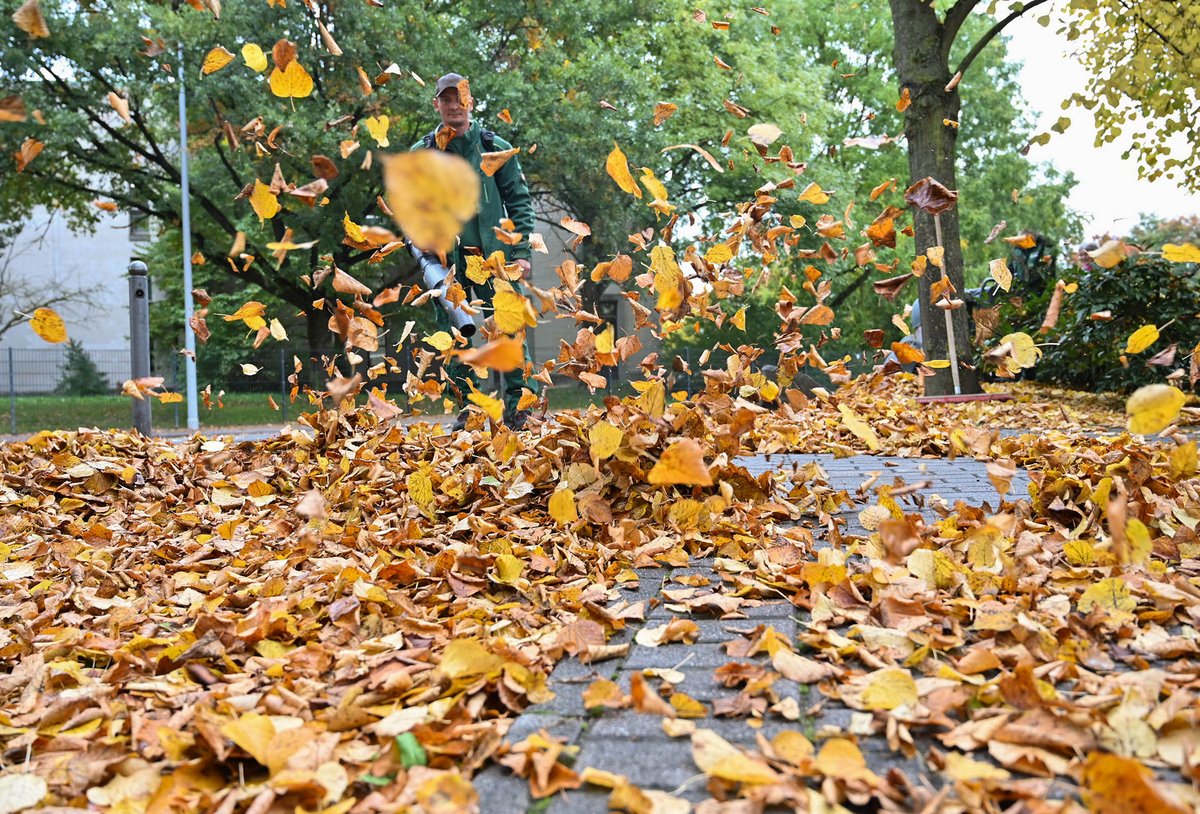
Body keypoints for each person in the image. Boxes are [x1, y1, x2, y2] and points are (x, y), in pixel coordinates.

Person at [411, 72, 539, 431]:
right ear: (436, 104)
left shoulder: (494, 146)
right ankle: (471, 410)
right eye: (446, 99)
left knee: (509, 331)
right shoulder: (423, 153)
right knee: (454, 337)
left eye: (460, 97)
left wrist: (523, 251)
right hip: (445, 264)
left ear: (470, 101)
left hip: (494, 257)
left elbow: (519, 202)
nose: (454, 104)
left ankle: (520, 409)